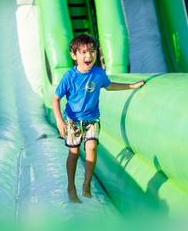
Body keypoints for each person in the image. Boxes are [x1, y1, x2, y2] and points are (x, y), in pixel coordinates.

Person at [52, 34, 145, 202]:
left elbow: (109, 86)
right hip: (73, 120)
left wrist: (131, 86)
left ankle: (87, 183)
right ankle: (71, 186)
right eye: (83, 52)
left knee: (92, 147)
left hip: (92, 119)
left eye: (92, 51)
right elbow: (56, 98)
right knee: (73, 153)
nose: (89, 56)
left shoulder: (98, 73)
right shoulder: (69, 77)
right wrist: (59, 120)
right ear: (74, 56)